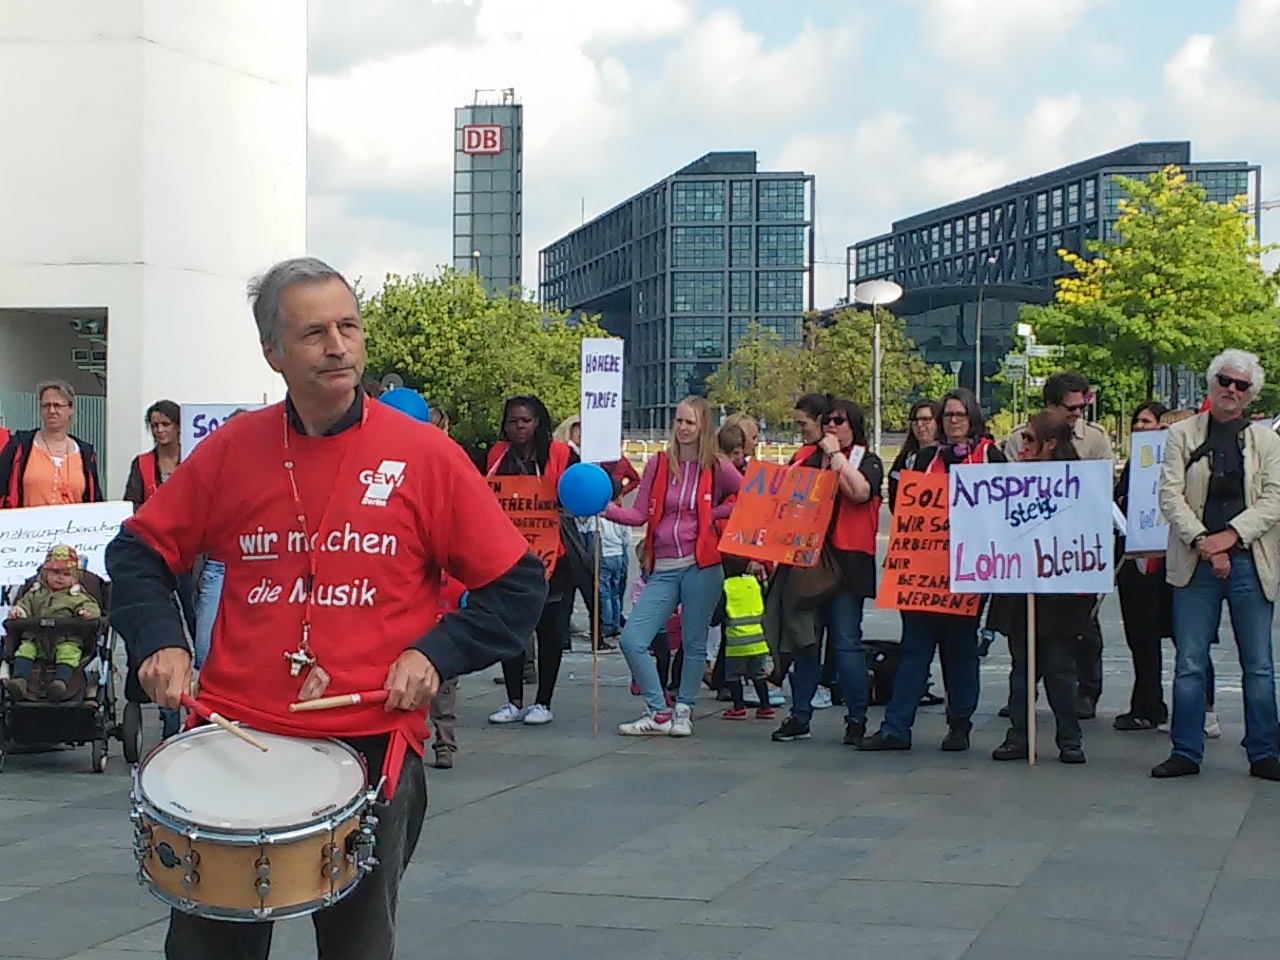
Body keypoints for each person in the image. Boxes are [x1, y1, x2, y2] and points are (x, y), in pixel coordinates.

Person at [105, 256, 545, 960]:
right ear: (273, 352)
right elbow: (136, 553)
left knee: (357, 949)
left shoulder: (424, 457)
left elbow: (517, 584)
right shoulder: (231, 451)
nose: (338, 346)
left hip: (367, 743)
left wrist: (434, 654)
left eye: (348, 326)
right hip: (236, 738)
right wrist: (162, 640)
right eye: (314, 334)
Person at [1152, 349, 1280, 780]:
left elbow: (1273, 501)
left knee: (1258, 663)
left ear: (1249, 394)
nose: (1231, 390)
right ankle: (1185, 750)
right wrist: (1205, 541)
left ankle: (1265, 751)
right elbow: (1170, 495)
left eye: (1241, 385)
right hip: (1196, 562)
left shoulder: (1267, 442)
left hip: (1250, 562)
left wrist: (1232, 536)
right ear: (1212, 383)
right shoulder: (1181, 435)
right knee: (1190, 660)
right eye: (1225, 380)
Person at [862, 388, 1004, 752]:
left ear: (972, 417)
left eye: (959, 414)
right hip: (925, 570)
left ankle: (960, 724)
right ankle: (897, 727)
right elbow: (904, 508)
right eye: (947, 415)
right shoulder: (925, 459)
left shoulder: (990, 455)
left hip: (969, 570)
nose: (953, 420)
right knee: (915, 649)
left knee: (960, 650)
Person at [607, 396, 742, 736]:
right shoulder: (659, 463)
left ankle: (684, 709)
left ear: (703, 427)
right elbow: (639, 514)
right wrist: (603, 510)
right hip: (664, 566)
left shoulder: (717, 466)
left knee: (695, 642)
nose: (682, 428)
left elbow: (748, 496)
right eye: (679, 421)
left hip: (702, 565)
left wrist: (716, 515)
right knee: (633, 639)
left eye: (690, 423)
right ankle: (659, 710)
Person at [771, 398, 883, 747]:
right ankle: (800, 714)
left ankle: (856, 718)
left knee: (846, 643)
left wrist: (836, 458)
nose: (832, 426)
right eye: (829, 420)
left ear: (854, 426)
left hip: (846, 567)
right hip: (807, 563)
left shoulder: (868, 460)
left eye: (840, 420)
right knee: (805, 642)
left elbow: (860, 493)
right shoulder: (804, 458)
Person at [1003, 370, 1112, 719]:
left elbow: (1100, 495)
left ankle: (1086, 694)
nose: (1078, 414)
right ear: (1051, 405)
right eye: (1071, 408)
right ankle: (1022, 701)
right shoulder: (1019, 438)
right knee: (1026, 636)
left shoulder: (1094, 440)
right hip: (1027, 556)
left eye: (1082, 408)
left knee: (1081, 633)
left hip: (1071, 556)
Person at [989, 409, 1093, 764]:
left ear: (1051, 444)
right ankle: (1019, 735)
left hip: (1061, 594)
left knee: (1060, 670)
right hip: (1022, 589)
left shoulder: (1078, 483)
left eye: (1030, 439)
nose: (1022, 445)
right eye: (1022, 438)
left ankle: (1070, 738)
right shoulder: (1012, 482)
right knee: (1022, 669)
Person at [486, 395, 576, 726]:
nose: (519, 426)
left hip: (554, 557)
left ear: (539, 422)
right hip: (511, 555)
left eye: (526, 420)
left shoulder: (560, 453)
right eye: (513, 421)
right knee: (510, 627)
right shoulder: (497, 455)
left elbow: (580, 488)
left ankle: (543, 701)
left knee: (549, 629)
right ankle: (512, 700)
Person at [1113, 401, 1173, 732]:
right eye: (1136, 421)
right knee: (1139, 637)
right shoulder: (1135, 464)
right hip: (1134, 561)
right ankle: (1147, 702)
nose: (1139, 427)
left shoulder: (1169, 461)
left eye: (1147, 422)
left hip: (1166, 562)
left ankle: (1197, 708)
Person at [4, 544, 100, 701]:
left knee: (69, 653)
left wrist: (85, 614)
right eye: (55, 573)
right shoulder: (34, 593)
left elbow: (92, 607)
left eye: (66, 574)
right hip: (36, 637)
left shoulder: (77, 596)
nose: (60, 577)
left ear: (75, 577)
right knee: (24, 650)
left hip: (66, 638)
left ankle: (60, 682)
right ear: (45, 573)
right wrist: (18, 612)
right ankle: (20, 680)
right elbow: (24, 605)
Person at [0, 379, 103, 508]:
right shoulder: (20, 445)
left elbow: (95, 501)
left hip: (72, 527)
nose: (52, 411)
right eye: (46, 405)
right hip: (26, 526)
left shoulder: (85, 453)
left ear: (70, 409)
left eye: (58, 406)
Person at [718, 557, 773, 720]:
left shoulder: (726, 586)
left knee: (733, 676)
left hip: (736, 641)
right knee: (758, 674)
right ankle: (765, 706)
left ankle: (738, 707)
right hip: (758, 640)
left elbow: (719, 613)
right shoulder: (754, 583)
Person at [596, 479, 631, 640]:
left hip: (604, 554)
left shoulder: (600, 514)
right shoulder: (621, 514)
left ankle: (607, 624)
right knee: (616, 592)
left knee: (604, 592)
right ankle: (616, 622)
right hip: (618, 554)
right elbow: (627, 538)